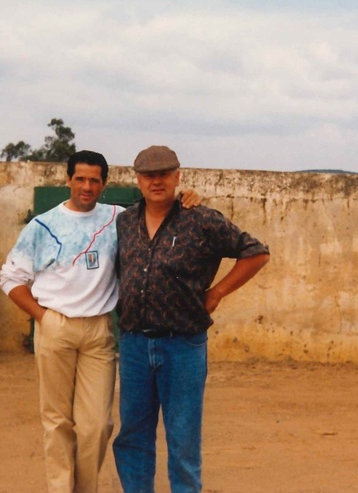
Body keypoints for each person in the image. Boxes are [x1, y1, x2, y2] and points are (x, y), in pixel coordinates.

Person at [0, 150, 200, 493]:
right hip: (56, 326)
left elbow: (160, 211)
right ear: (68, 180)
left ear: (104, 184)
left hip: (99, 330)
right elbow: (11, 278)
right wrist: (43, 318)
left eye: (94, 180)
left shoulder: (119, 219)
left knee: (97, 425)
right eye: (80, 179)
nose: (87, 186)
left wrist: (189, 197)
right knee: (57, 421)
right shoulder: (43, 225)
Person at [112, 145, 270, 493]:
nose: (157, 181)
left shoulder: (201, 219)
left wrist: (216, 294)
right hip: (135, 343)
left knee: (183, 439)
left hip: (182, 345)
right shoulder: (124, 221)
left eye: (164, 174)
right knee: (133, 435)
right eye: (149, 175)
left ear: (177, 177)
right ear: (137, 180)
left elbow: (256, 253)